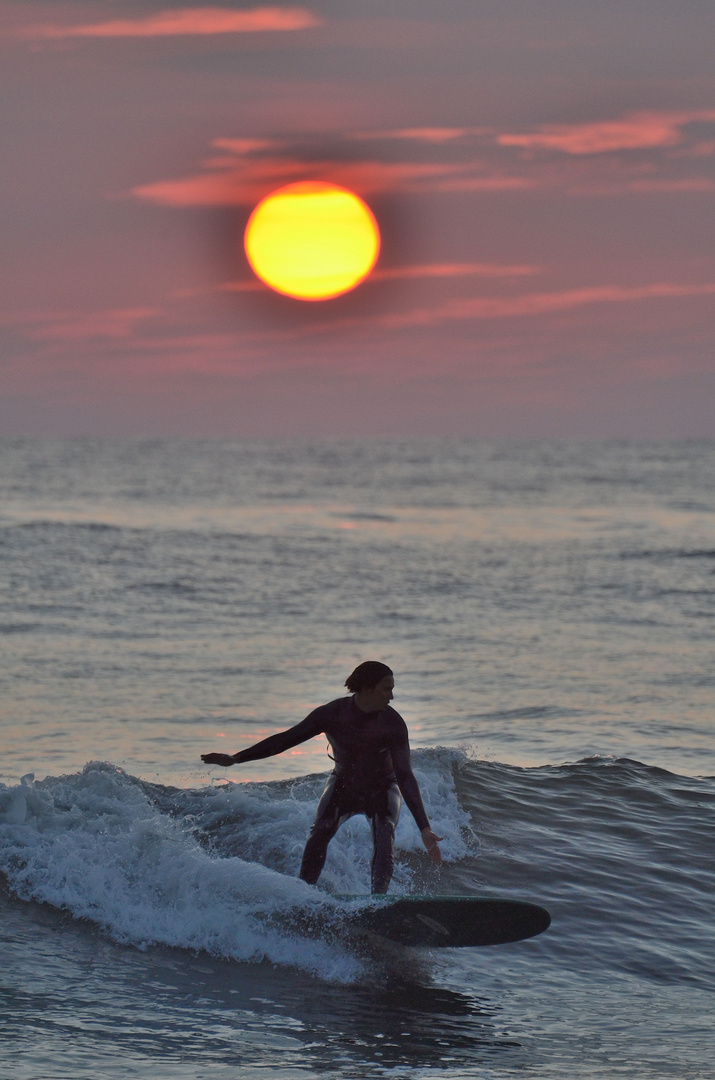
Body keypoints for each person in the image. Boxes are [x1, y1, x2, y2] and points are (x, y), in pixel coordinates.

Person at [201, 661, 443, 894]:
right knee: (320, 830)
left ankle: (378, 901)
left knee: (384, 829)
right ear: (368, 689)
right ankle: (304, 893)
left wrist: (424, 828)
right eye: (387, 689)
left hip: (383, 788)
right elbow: (285, 740)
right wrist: (236, 759)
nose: (391, 696)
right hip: (344, 784)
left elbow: (404, 775)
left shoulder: (393, 724)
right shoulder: (332, 714)